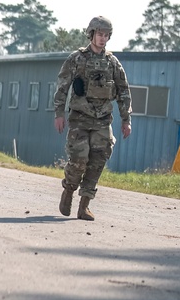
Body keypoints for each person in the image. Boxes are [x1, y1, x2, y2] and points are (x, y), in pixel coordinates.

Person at [54, 15, 131, 221]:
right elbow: (62, 87)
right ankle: (68, 191)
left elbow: (123, 91)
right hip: (80, 118)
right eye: (99, 34)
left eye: (106, 35)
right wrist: (59, 114)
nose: (102, 39)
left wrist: (126, 119)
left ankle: (84, 205)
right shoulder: (77, 59)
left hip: (103, 120)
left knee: (97, 161)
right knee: (79, 159)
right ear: (91, 34)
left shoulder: (112, 63)